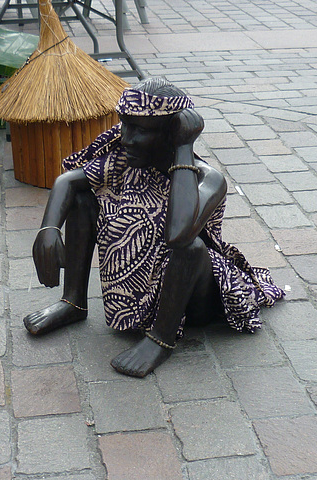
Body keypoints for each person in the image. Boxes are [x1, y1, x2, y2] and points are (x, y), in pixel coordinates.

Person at [24, 77, 284, 378]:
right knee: (84, 198)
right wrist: (48, 229)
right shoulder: (125, 159)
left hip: (191, 296)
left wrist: (184, 149)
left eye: (140, 130)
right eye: (125, 125)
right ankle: (72, 301)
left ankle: (161, 338)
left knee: (190, 247)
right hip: (145, 281)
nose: (126, 138)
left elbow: (179, 232)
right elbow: (67, 181)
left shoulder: (208, 179)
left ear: (171, 133)